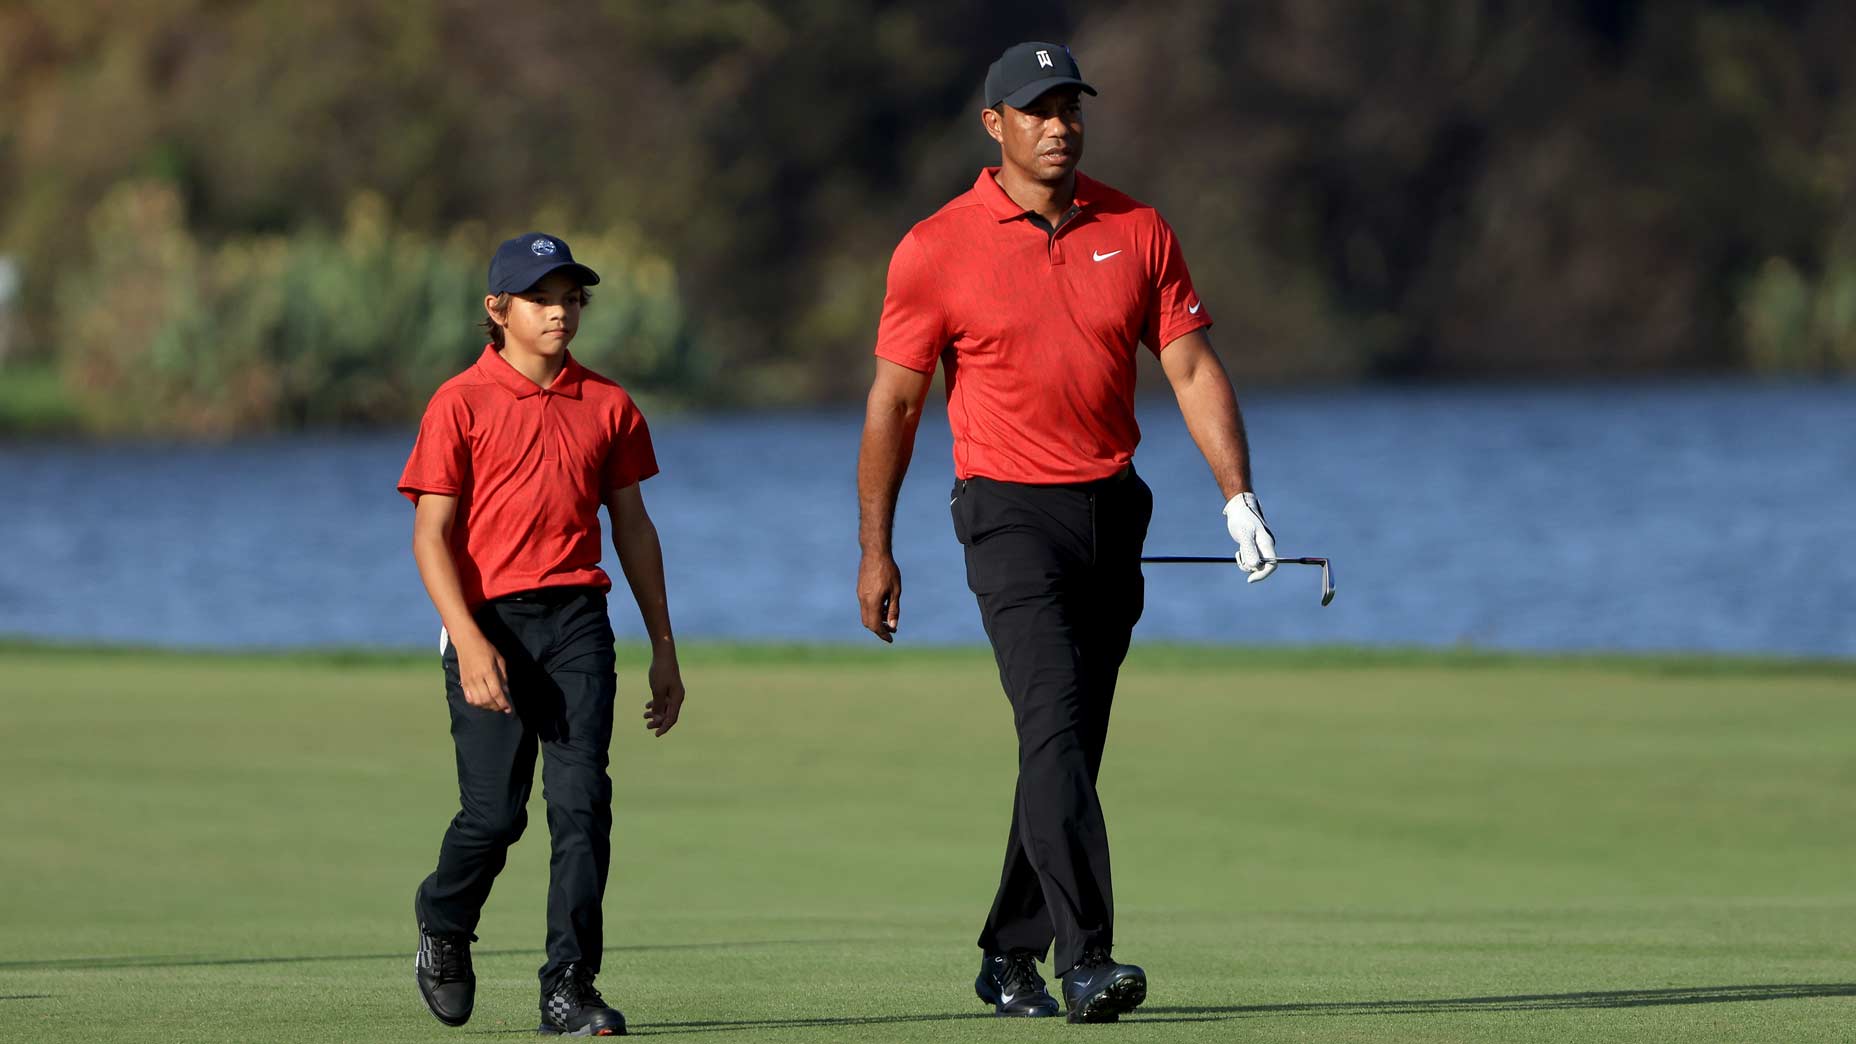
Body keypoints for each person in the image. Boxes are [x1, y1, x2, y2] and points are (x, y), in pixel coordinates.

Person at [855, 43, 1281, 1024]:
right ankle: (1085, 959)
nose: (1057, 124)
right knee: (1051, 727)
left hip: (1112, 510)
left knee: (1067, 747)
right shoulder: (935, 246)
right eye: (1034, 109)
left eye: (1068, 107)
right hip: (1005, 514)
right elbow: (894, 407)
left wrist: (1236, 496)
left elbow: (1189, 369)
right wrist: (877, 548)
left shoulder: (1135, 228)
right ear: (992, 125)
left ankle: (1006, 954)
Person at [399, 232, 686, 1037]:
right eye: (542, 298)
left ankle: (569, 985)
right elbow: (430, 537)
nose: (561, 311)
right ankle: (444, 921)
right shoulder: (459, 402)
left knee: (582, 802)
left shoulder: (610, 404)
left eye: (572, 297)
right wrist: (468, 636)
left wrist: (664, 645)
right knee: (496, 816)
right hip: (487, 621)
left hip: (577, 624)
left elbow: (633, 528)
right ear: (498, 310)